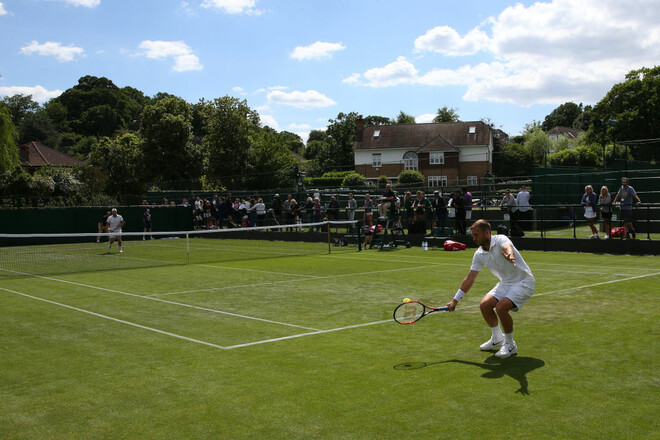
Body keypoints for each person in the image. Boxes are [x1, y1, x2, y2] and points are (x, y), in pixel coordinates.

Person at [445, 219, 535, 359]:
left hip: (524, 281)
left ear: (487, 232)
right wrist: (455, 301)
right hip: (506, 282)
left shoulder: (500, 239)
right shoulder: (479, 254)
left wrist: (510, 254)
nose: (474, 238)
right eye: (473, 235)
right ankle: (498, 338)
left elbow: (507, 246)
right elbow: (470, 278)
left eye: (476, 235)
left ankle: (510, 344)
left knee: (501, 307)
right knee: (485, 305)